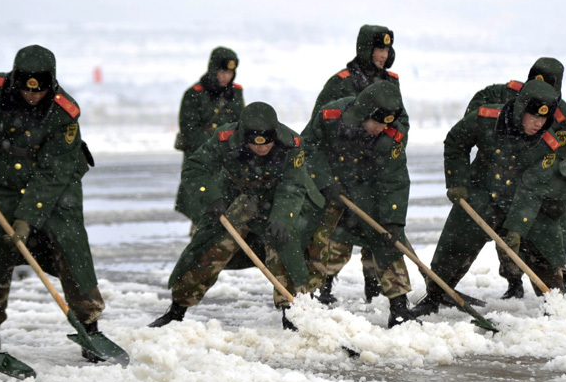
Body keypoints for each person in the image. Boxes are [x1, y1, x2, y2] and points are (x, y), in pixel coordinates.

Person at [0, 45, 103, 361]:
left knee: (71, 246)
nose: (32, 96)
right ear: (16, 79)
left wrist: (28, 217)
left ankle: (90, 328)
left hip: (56, 186)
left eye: (40, 91)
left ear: (51, 84)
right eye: (26, 89)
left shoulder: (64, 113)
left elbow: (52, 173)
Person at [150, 102, 325, 330]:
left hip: (277, 202)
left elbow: (292, 185)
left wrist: (282, 218)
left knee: (284, 246)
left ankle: (291, 313)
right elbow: (195, 168)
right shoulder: (224, 139)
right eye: (255, 144)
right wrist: (211, 196)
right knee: (209, 249)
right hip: (237, 199)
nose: (262, 149)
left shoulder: (291, 143)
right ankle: (177, 309)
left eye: (267, 143)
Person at [414, 80, 566, 317]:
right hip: (482, 193)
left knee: (544, 247)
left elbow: (533, 189)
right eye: (533, 117)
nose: (538, 124)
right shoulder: (487, 118)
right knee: (454, 246)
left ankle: (555, 300)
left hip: (521, 201)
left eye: (544, 119)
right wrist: (457, 182)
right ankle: (434, 296)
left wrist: (516, 228)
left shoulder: (548, 144)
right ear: (521, 109)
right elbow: (455, 142)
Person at [301, 81, 414, 328]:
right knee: (319, 238)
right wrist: (325, 181)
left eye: (387, 124)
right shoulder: (330, 117)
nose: (382, 128)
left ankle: (399, 306)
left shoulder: (390, 136)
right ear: (363, 114)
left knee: (387, 240)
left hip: (369, 191)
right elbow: (307, 148)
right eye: (377, 122)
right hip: (333, 188)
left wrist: (393, 221)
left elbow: (394, 181)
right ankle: (310, 297)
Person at [463, 57, 566, 298]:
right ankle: (514, 281)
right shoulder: (505, 94)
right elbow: (475, 114)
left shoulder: (563, 120)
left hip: (545, 184)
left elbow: (554, 163)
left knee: (545, 236)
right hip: (503, 181)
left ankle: (557, 281)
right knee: (506, 233)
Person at [312, 25, 407, 304]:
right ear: (366, 49)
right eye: (379, 49)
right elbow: (321, 127)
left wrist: (388, 144)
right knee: (335, 233)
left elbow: (402, 121)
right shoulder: (341, 81)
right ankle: (322, 287)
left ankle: (375, 287)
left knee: (380, 230)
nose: (383, 55)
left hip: (375, 171)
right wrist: (328, 177)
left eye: (387, 49)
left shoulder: (391, 81)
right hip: (341, 172)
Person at [174, 47, 245, 224]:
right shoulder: (194, 94)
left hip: (229, 160)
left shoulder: (236, 93)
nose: (226, 76)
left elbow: (241, 124)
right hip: (202, 158)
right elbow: (189, 129)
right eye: (222, 71)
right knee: (201, 206)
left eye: (230, 72)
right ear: (213, 70)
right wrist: (215, 148)